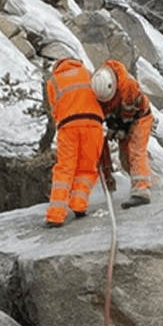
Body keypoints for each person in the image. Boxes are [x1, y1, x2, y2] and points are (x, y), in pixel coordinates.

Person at [44, 57, 105, 227]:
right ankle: (79, 204)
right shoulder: (88, 73)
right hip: (93, 124)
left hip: (68, 126)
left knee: (64, 169)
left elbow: (54, 109)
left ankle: (56, 215)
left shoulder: (53, 81)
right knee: (87, 167)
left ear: (58, 67)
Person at [91, 60, 155, 209]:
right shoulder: (98, 86)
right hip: (122, 120)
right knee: (125, 160)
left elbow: (130, 112)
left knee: (136, 149)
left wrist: (121, 128)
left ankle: (141, 192)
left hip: (140, 117)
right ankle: (154, 182)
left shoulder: (128, 86)